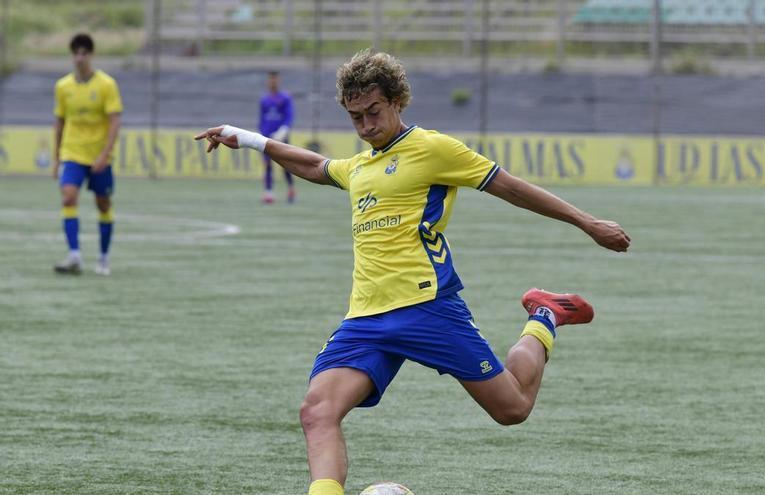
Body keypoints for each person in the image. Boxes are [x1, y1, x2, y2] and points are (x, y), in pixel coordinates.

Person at [196, 50, 631, 495]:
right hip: (365, 318)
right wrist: (244, 137)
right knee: (317, 410)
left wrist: (588, 222)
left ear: (397, 101)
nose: (366, 126)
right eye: (355, 117)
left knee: (512, 408)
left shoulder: (432, 149)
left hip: (428, 307)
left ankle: (545, 315)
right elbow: (313, 165)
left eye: (374, 113)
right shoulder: (359, 166)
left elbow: (511, 188)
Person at [52, 33, 123, 276]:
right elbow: (59, 122)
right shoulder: (63, 87)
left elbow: (114, 121)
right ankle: (74, 256)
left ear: (91, 55)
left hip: (99, 155)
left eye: (84, 53)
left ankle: (103, 258)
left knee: (103, 204)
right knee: (68, 197)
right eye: (76, 53)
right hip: (73, 152)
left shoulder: (106, 85)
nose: (79, 58)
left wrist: (105, 154)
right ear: (72, 56)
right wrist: (56, 158)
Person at [259, 70, 295, 203]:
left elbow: (289, 116)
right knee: (267, 164)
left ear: (278, 81)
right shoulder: (264, 99)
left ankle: (291, 188)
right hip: (267, 137)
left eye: (274, 79)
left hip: (281, 137)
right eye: (270, 79)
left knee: (286, 165)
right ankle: (268, 192)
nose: (272, 82)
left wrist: (284, 130)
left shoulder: (285, 98)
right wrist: (262, 133)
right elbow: (262, 119)